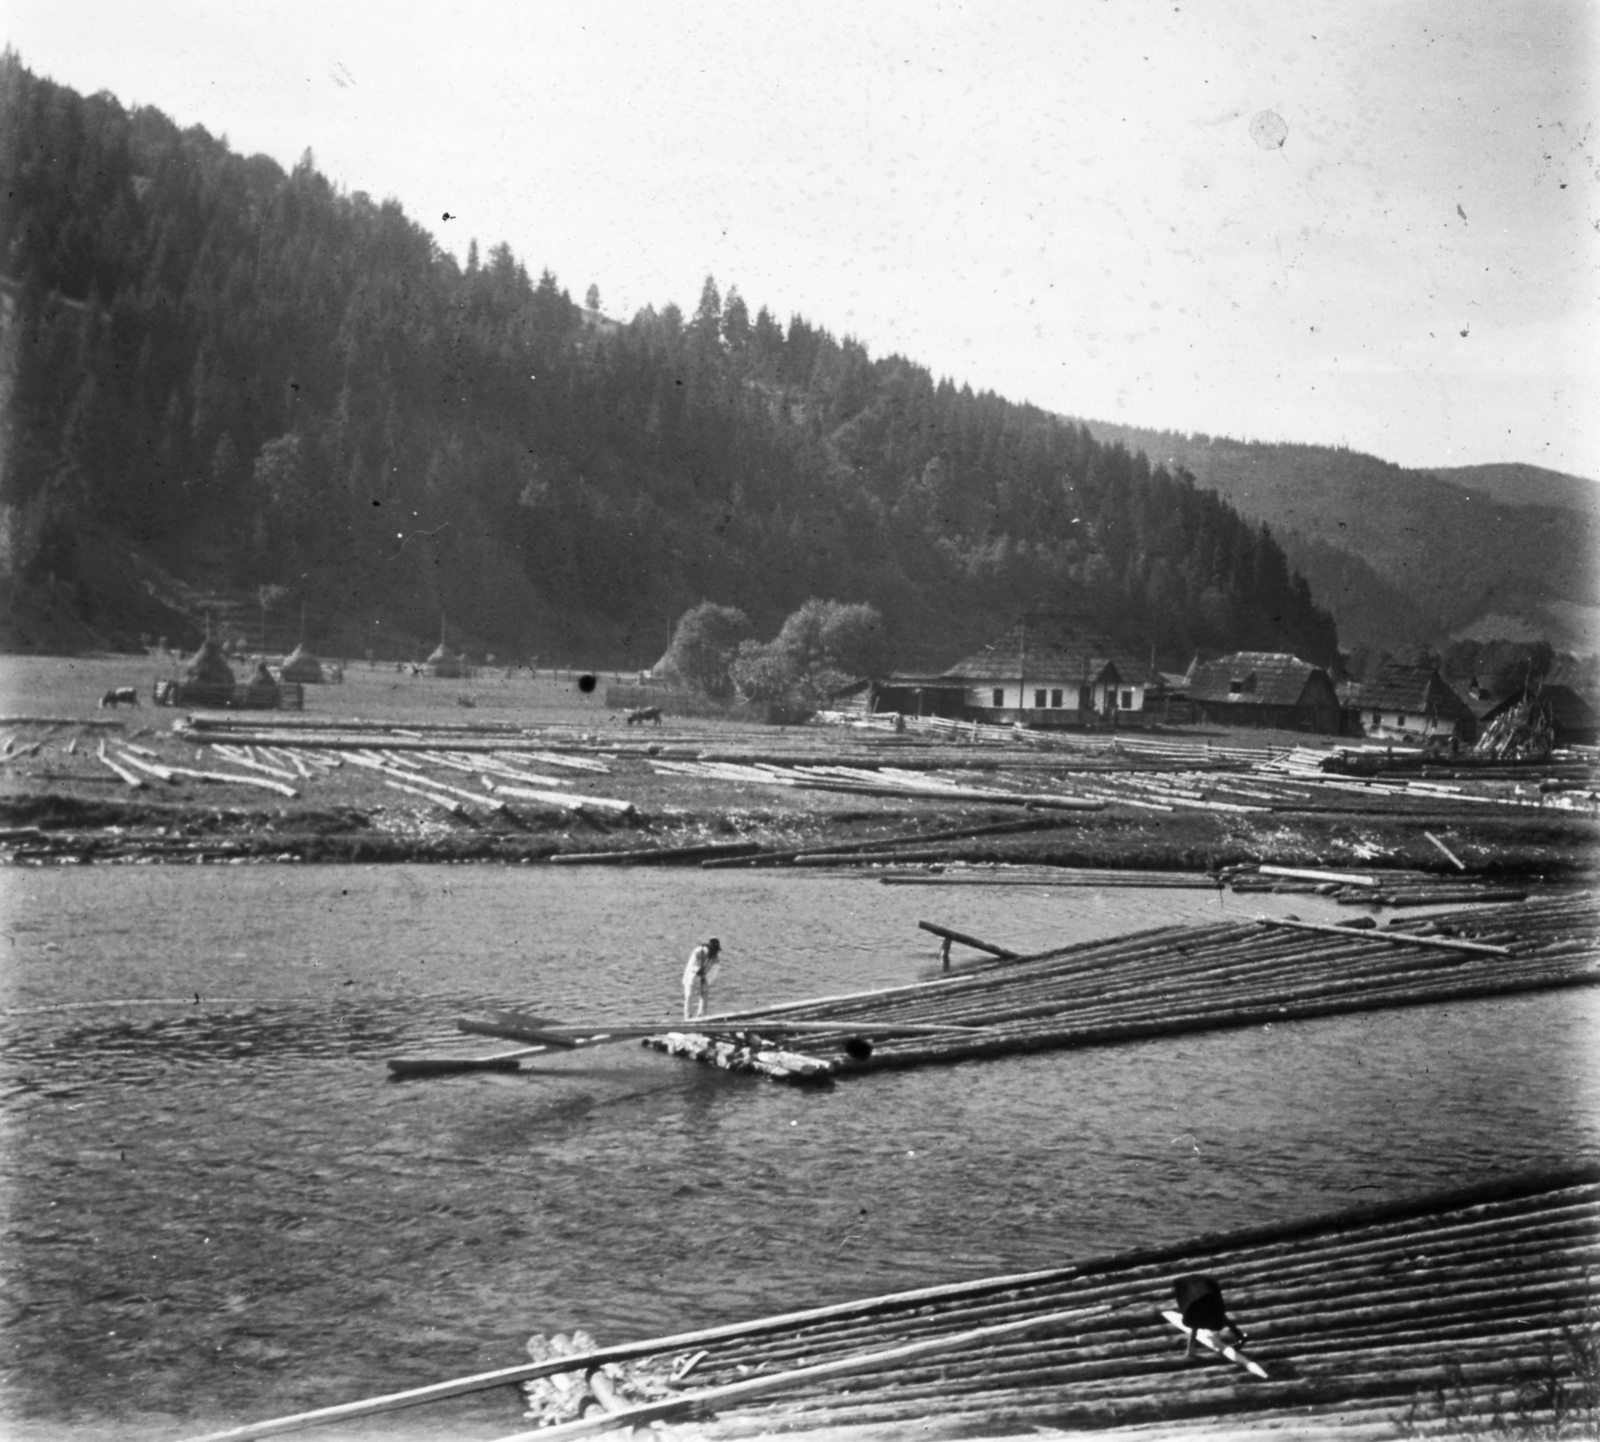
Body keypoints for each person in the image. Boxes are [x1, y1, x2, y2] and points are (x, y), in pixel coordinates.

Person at [1173, 1274, 1247, 1357]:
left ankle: (1190, 1350)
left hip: (1202, 1302)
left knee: (1196, 1323)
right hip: (1205, 1300)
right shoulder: (1195, 1284)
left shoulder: (1189, 1286)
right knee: (1217, 1318)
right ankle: (1240, 1336)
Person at [682, 937, 723, 1020]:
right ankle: (688, 1018)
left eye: (715, 951)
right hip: (692, 977)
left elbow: (714, 972)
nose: (714, 953)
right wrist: (697, 970)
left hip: (705, 979)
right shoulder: (699, 952)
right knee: (689, 997)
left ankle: (701, 1018)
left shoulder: (716, 958)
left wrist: (706, 979)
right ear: (708, 948)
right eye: (712, 950)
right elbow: (690, 966)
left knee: (704, 1000)